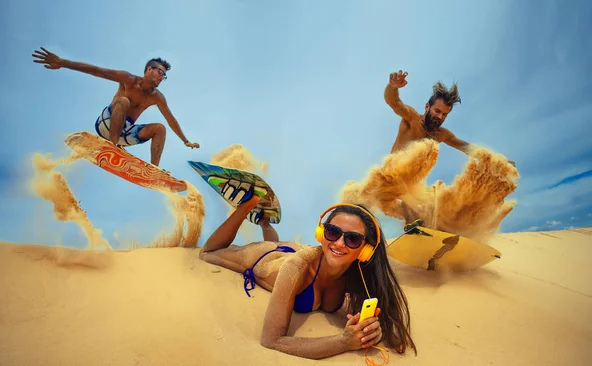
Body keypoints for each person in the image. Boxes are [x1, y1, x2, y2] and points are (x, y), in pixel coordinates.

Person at [199, 189, 417, 360]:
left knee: (276, 240)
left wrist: (370, 331)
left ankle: (264, 221)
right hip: (267, 258)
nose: (339, 243)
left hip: (298, 249)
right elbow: (271, 341)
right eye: (332, 232)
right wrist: (343, 341)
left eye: (352, 239)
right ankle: (249, 204)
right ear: (321, 234)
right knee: (209, 254)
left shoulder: (357, 274)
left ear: (365, 249)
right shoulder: (295, 269)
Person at [31, 47, 200, 167]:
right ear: (149, 69)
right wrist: (62, 62)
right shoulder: (128, 79)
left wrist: (186, 141)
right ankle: (111, 148)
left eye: (165, 75)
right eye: (161, 72)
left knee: (160, 128)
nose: (162, 77)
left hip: (125, 133)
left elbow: (171, 120)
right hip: (107, 123)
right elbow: (96, 70)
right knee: (124, 101)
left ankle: (153, 171)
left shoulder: (158, 97)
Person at [384, 70, 516, 166]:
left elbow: (467, 147)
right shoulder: (411, 118)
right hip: (389, 177)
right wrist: (393, 86)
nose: (440, 117)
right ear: (427, 107)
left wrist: (499, 161)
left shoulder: (442, 135)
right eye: (437, 111)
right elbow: (394, 102)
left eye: (444, 114)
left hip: (411, 187)